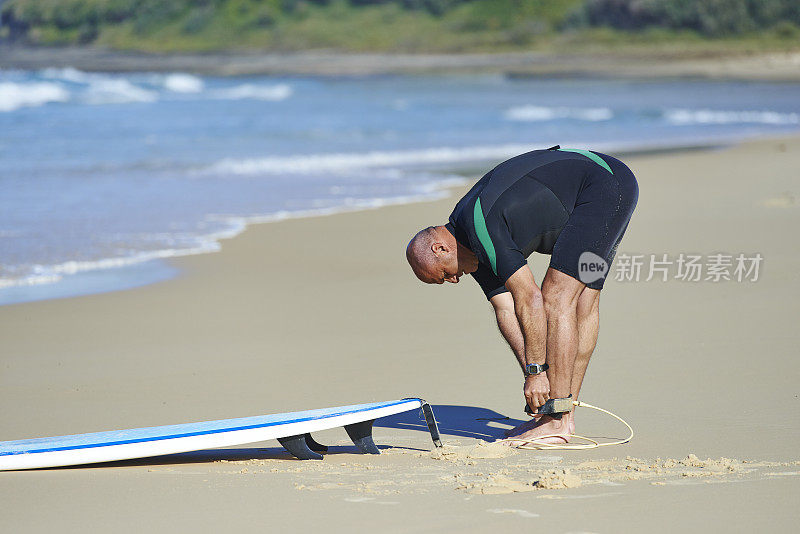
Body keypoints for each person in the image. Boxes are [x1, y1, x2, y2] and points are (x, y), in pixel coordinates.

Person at [406, 146, 638, 444]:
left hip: (604, 187)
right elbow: (506, 309)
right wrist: (535, 375)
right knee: (582, 300)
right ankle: (560, 417)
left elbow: (531, 299)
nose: (453, 280)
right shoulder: (472, 249)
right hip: (602, 193)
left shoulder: (479, 227)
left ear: (440, 248)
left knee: (558, 296)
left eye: (444, 275)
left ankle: (558, 417)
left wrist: (536, 372)